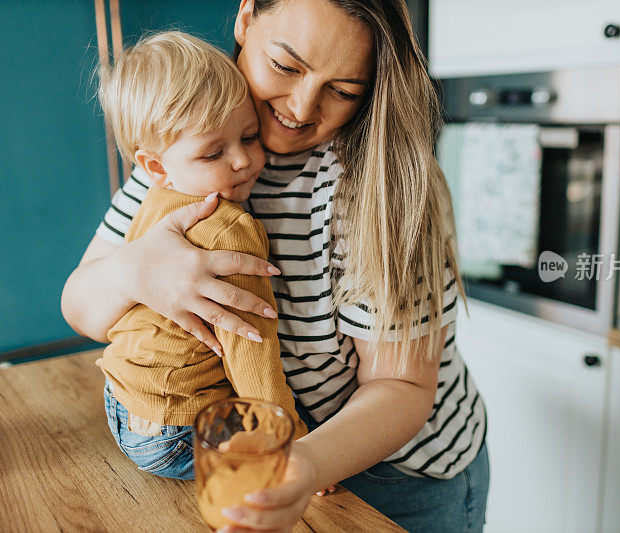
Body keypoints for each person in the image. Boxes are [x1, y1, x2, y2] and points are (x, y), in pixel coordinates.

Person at [63, 0, 490, 530]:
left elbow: (401, 388)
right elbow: (81, 307)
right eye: (286, 66)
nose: (302, 106)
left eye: (343, 91)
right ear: (245, 19)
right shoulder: (186, 147)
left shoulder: (381, 188)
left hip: (401, 474)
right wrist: (132, 270)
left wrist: (301, 460)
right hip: (278, 449)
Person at [93, 31, 308, 481]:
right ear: (155, 166)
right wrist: (293, 439)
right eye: (214, 152)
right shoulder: (232, 228)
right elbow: (253, 351)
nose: (242, 161)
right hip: (178, 433)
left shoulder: (151, 202)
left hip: (121, 404)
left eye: (250, 136)